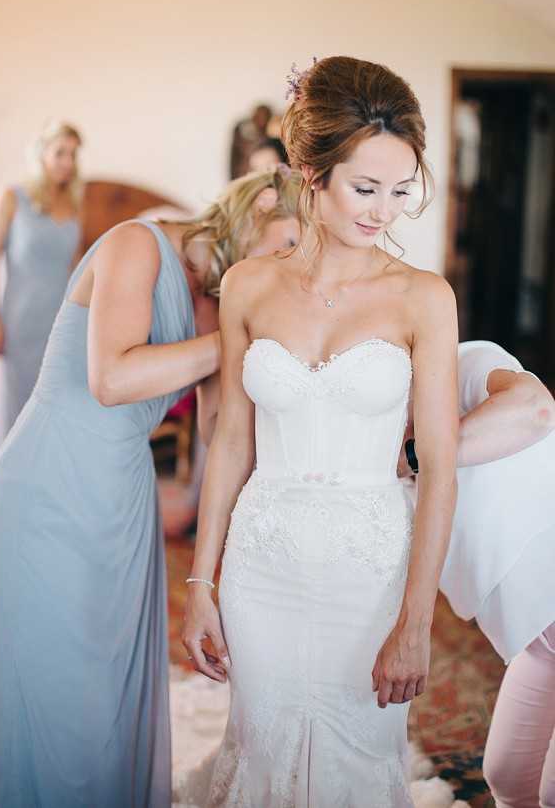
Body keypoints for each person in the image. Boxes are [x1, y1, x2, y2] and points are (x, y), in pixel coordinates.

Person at [0, 166, 301, 808]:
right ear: (259, 206)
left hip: (125, 497)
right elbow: (111, 379)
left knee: (108, 686)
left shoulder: (223, 301)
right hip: (49, 485)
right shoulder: (136, 245)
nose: (286, 267)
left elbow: (219, 432)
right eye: (287, 246)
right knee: (57, 687)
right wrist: (235, 344)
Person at [183, 56, 459, 807]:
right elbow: (232, 443)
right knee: (263, 746)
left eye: (401, 191)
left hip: (369, 567)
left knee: (358, 760)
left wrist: (415, 620)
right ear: (312, 174)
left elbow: (439, 467)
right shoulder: (248, 287)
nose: (384, 211)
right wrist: (203, 582)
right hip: (261, 560)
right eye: (365, 189)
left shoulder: (423, 300)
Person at [426, 340, 555, 808]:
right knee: (507, 778)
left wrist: (416, 455)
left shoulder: (464, 362)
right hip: (537, 636)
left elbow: (537, 409)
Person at [0, 121, 83, 463]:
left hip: (58, 324)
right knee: (15, 414)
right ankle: (6, 496)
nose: (67, 161)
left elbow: (75, 271)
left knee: (52, 411)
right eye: (60, 152)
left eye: (73, 154)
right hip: (19, 323)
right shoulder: (11, 198)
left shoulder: (73, 205)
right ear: (41, 153)